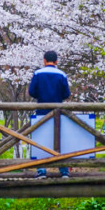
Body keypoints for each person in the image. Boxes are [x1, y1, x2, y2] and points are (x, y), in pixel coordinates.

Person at [28, 50, 72, 178]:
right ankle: (64, 171)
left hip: (41, 111)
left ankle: (41, 171)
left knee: (40, 140)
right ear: (56, 61)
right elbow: (66, 94)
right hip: (58, 111)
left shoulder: (38, 73)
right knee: (60, 140)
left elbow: (31, 92)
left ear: (44, 60)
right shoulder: (62, 74)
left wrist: (40, 96)